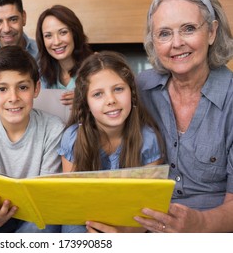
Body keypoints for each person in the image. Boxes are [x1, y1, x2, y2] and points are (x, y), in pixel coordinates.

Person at [131, 0, 233, 233]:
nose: (176, 43)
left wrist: (201, 224)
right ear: (153, 42)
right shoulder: (137, 90)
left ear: (212, 31)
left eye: (188, 29)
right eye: (164, 33)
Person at [58, 51, 166, 233]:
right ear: (86, 103)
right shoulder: (73, 138)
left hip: (131, 227)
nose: (111, 100)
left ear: (131, 92)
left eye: (118, 89)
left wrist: (121, 235)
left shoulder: (148, 140)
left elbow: (147, 213)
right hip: (84, 222)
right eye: (98, 94)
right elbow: (72, 202)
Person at [0, 45, 64, 233]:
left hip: (39, 212)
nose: (13, 98)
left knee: (40, 229)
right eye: (2, 89)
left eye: (23, 87)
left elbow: (46, 194)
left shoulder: (54, 128)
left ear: (36, 88)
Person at [35, 5, 93, 105]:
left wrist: (88, 99)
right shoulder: (41, 72)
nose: (56, 42)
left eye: (63, 32)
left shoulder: (97, 67)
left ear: (75, 33)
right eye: (48, 36)